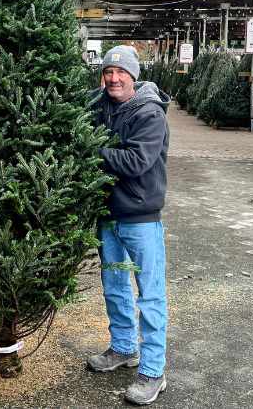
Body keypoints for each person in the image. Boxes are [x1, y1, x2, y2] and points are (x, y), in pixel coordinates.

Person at [87, 45, 170, 406]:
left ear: (133, 76)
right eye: (108, 72)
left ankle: (153, 371)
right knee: (115, 285)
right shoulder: (98, 106)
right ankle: (123, 348)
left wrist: (92, 150)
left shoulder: (150, 114)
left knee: (149, 294)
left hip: (140, 219)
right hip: (109, 217)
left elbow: (137, 161)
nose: (114, 78)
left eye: (121, 73)